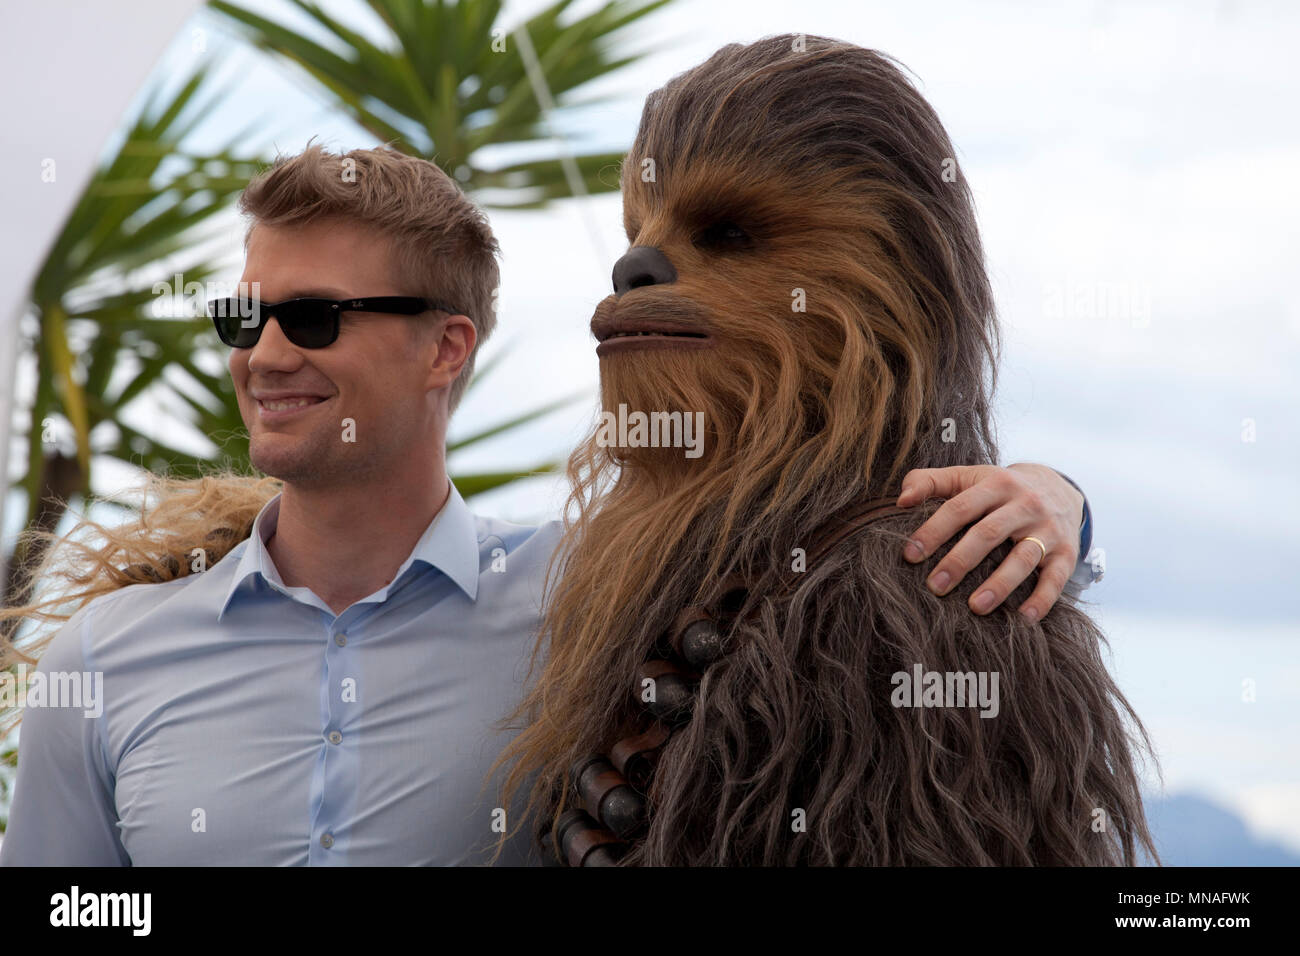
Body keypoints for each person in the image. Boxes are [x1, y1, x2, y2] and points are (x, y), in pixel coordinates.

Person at [0, 143, 1099, 865]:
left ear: (447, 346)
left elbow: (829, 542)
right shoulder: (112, 657)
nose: (267, 355)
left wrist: (1059, 501)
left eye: (316, 318)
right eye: (247, 317)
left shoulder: (599, 608)